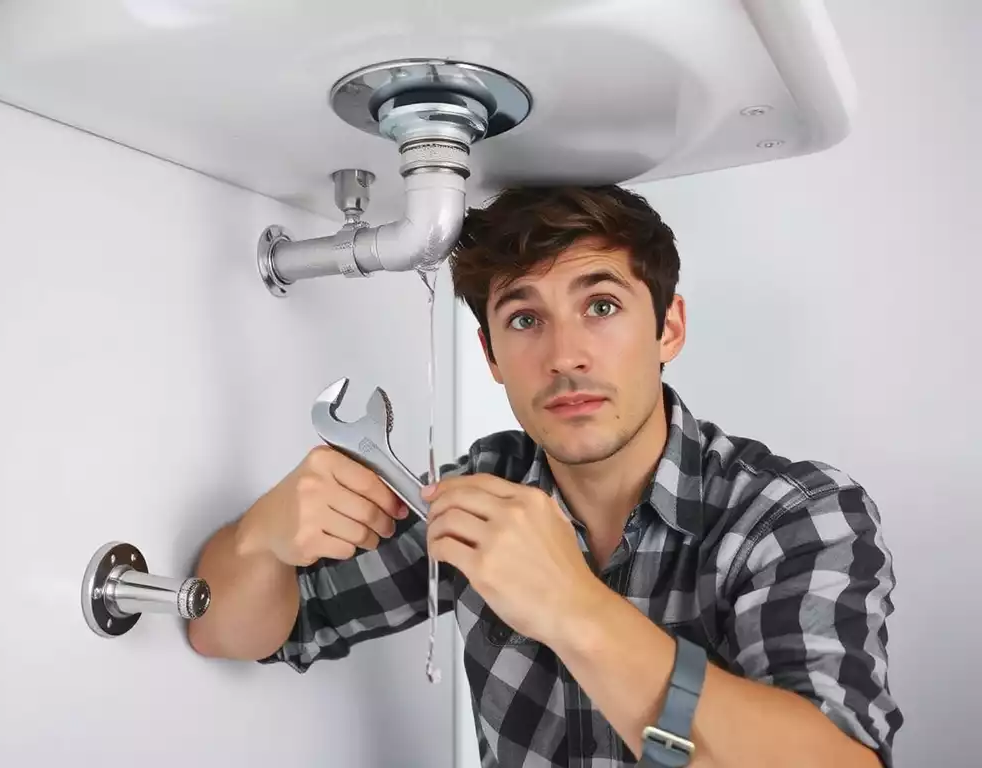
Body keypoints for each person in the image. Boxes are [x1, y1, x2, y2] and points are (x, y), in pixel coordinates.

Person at [188, 186, 902, 768]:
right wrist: (261, 541)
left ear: (669, 329)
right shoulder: (479, 491)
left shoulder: (793, 515)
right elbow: (233, 630)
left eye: (601, 306)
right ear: (491, 355)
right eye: (525, 319)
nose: (565, 356)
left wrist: (573, 607)